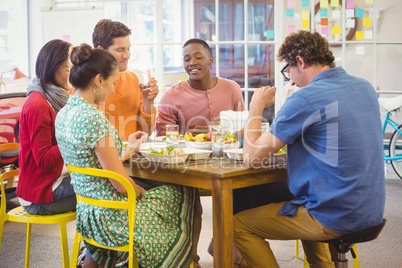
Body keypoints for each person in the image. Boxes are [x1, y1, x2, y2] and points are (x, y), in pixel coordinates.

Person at [233, 30, 385, 267]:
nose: (291, 81)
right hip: (370, 210)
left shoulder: (305, 98)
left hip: (334, 216)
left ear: (300, 62)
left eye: (288, 71)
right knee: (303, 199)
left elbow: (251, 157)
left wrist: (256, 106)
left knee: (237, 226)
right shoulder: (364, 87)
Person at [55, 43, 196, 268]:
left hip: (87, 211)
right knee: (181, 192)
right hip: (112, 216)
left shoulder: (63, 114)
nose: (112, 89)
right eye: (112, 82)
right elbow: (121, 185)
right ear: (99, 80)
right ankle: (180, 260)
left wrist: (126, 149)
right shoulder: (95, 120)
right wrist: (141, 192)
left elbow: (90, 161)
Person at [16, 39, 76, 215]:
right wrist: (72, 137)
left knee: (107, 184)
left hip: (53, 181)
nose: (72, 75)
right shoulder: (38, 105)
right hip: (39, 196)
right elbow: (43, 162)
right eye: (68, 69)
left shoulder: (54, 99)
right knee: (107, 190)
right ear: (52, 68)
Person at [155, 38, 245, 136]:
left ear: (210, 61)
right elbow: (163, 139)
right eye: (186, 59)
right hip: (187, 151)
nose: (192, 63)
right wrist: (193, 136)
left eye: (198, 57)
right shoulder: (170, 96)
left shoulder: (232, 88)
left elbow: (241, 129)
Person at [92, 19, 159, 141]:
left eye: (128, 49)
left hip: (131, 156)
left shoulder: (132, 79)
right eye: (120, 50)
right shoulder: (81, 84)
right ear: (100, 50)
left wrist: (148, 102)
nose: (127, 55)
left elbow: (145, 133)